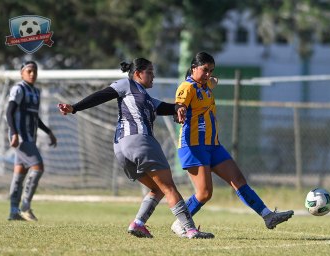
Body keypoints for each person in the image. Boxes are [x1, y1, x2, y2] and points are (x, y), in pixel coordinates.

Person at [58, 58, 214, 239]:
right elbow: (101, 95)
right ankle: (190, 230)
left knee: (157, 188)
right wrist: (75, 107)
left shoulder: (147, 98)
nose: (153, 76)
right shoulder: (127, 84)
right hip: (141, 142)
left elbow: (167, 107)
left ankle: (138, 224)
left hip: (122, 149)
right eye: (149, 72)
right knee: (169, 187)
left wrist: (180, 106)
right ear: (138, 74)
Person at [171, 52, 294, 236]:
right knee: (204, 193)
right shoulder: (187, 87)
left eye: (211, 71)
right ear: (193, 68)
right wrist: (179, 111)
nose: (208, 74)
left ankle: (268, 216)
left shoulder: (205, 85)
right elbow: (179, 105)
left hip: (213, 145)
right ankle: (180, 224)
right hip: (194, 146)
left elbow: (213, 81)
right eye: (205, 70)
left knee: (238, 180)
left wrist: (211, 80)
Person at [7, 61, 57, 221]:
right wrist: (14, 133)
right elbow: (9, 112)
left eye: (34, 71)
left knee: (19, 174)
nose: (32, 74)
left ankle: (14, 212)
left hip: (30, 137)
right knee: (38, 166)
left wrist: (48, 132)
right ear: (22, 73)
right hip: (21, 137)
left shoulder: (36, 91)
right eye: (29, 71)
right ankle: (25, 207)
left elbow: (35, 117)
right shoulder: (18, 89)